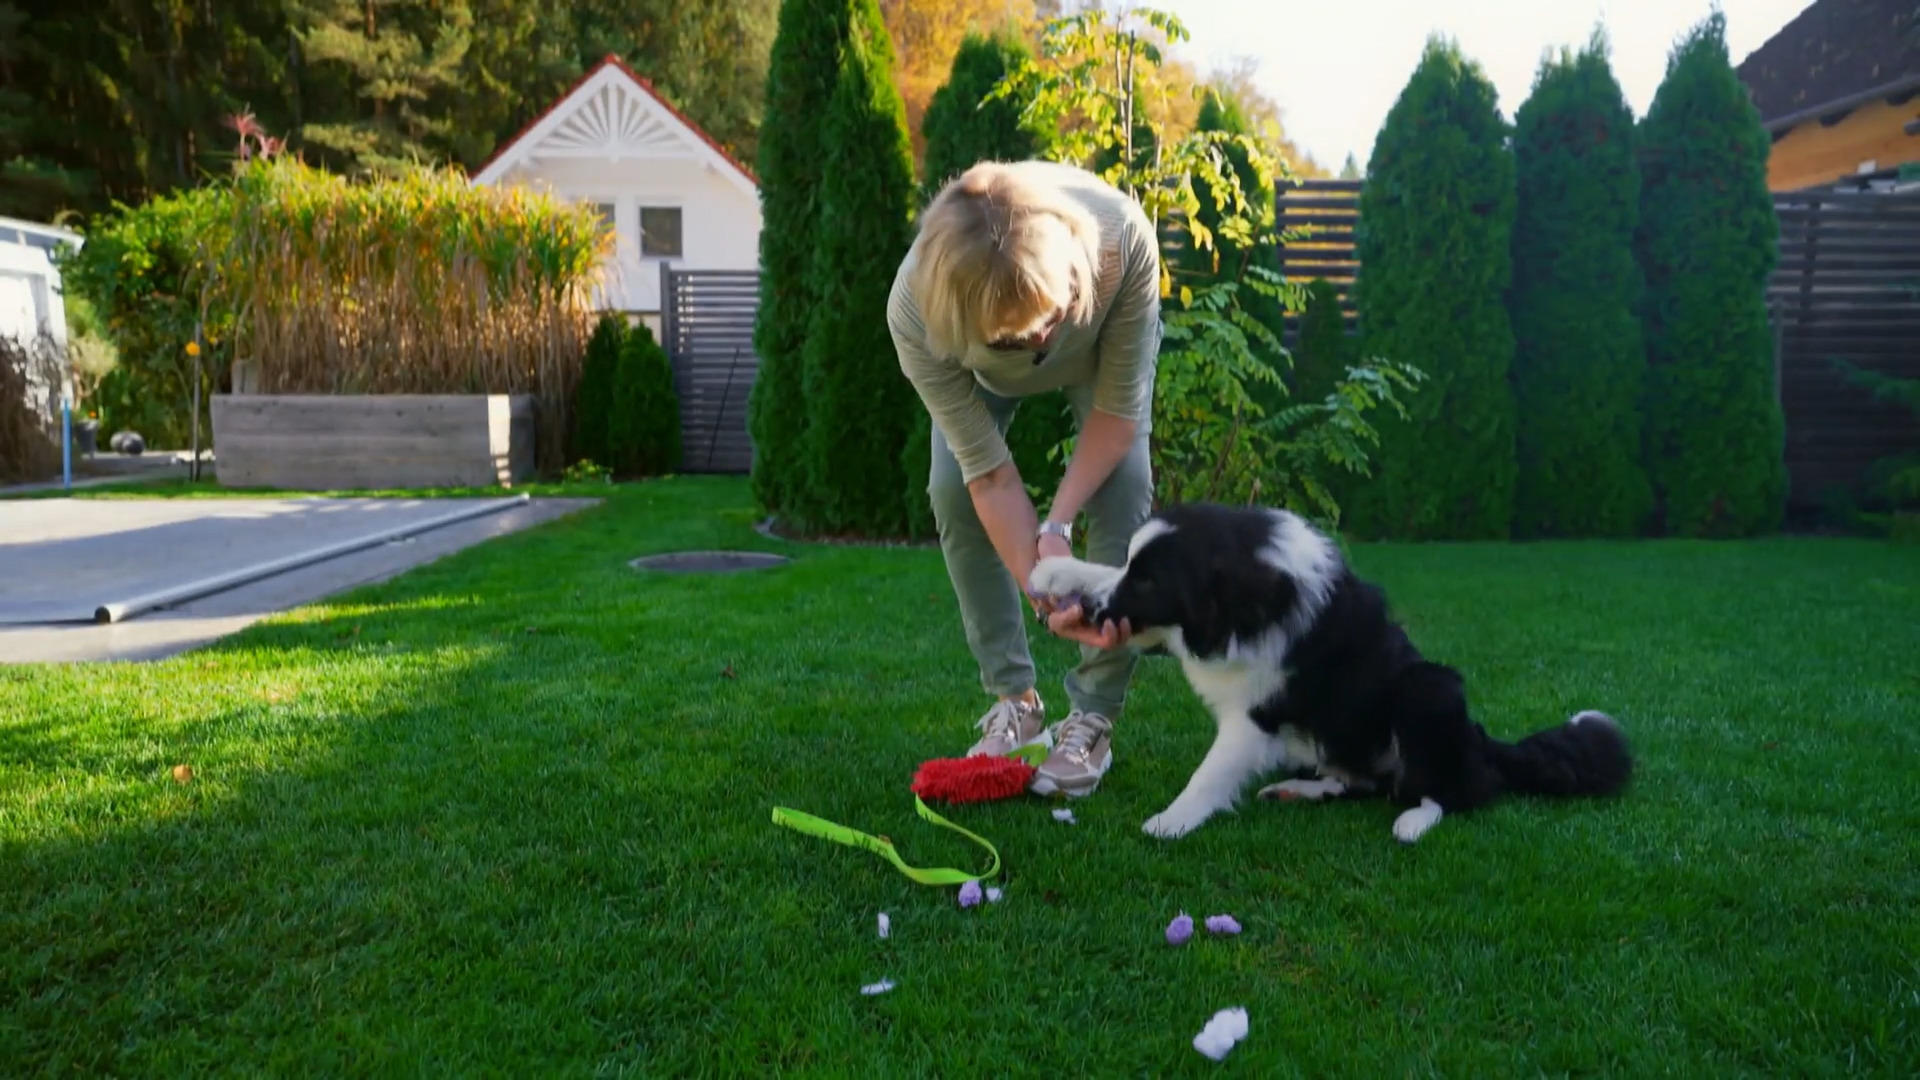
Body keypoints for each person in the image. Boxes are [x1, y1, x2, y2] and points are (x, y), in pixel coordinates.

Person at [887, 158, 1160, 798]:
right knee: (951, 490)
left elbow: (1117, 420)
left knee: (1122, 491)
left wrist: (1058, 526)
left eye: (1050, 319)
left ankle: (1092, 713)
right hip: (976, 381)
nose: (1040, 340)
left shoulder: (1120, 241)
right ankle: (1018, 703)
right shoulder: (917, 313)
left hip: (1099, 356)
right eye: (1018, 340)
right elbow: (988, 478)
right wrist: (1044, 587)